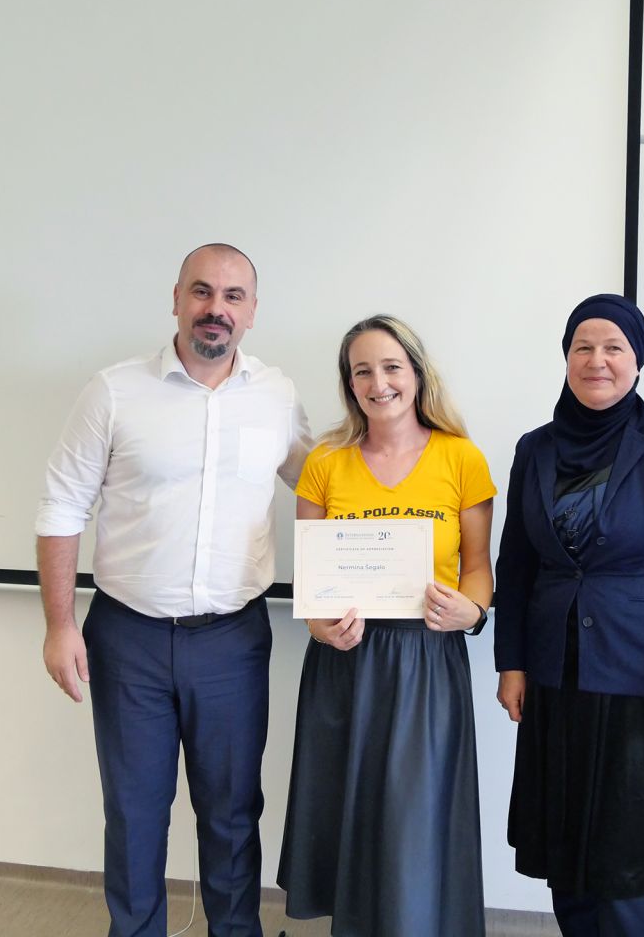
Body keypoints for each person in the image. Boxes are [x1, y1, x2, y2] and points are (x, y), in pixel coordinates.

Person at [35, 243, 312, 937]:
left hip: (233, 641)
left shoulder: (277, 396)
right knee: (134, 812)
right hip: (128, 638)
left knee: (231, 812)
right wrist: (59, 626)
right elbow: (62, 507)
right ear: (177, 299)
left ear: (252, 311)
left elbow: (324, 489)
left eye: (233, 296)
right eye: (202, 291)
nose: (216, 308)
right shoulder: (113, 392)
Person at [494, 294, 644, 937]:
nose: (597, 360)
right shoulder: (535, 448)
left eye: (613, 347)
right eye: (583, 347)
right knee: (565, 856)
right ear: (567, 357)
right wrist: (512, 664)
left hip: (640, 683)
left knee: (629, 864)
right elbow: (516, 566)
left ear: (637, 360)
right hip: (554, 680)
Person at [277, 315, 495, 937]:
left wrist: (473, 612)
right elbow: (312, 580)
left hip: (427, 662)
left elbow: (478, 569)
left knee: (414, 824)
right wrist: (320, 625)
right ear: (349, 384)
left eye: (392, 366)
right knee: (350, 812)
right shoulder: (325, 462)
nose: (379, 383)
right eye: (363, 371)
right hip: (345, 662)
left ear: (417, 373)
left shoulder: (461, 457)